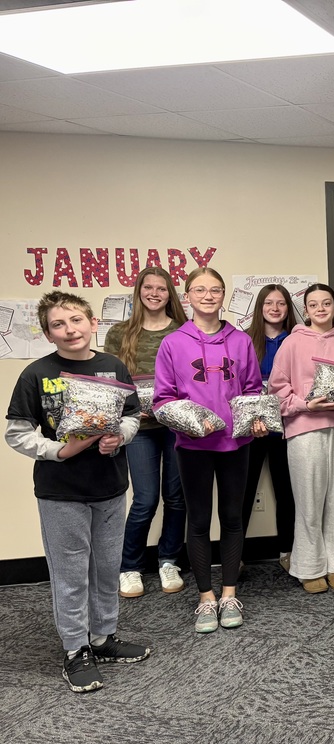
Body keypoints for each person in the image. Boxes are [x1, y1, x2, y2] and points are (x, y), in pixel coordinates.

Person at [6, 291, 149, 693]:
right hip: (61, 492)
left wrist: (118, 436)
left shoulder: (113, 366)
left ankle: (103, 638)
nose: (69, 329)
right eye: (58, 324)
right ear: (49, 334)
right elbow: (16, 433)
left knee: (106, 567)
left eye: (76, 320)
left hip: (109, 488)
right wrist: (58, 450)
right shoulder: (37, 374)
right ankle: (75, 649)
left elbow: (133, 415)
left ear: (91, 323)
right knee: (70, 575)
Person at [154, 267, 264, 632]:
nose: (208, 296)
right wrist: (189, 422)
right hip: (193, 445)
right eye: (199, 290)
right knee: (198, 521)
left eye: (215, 290)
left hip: (236, 443)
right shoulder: (173, 343)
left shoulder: (241, 340)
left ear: (222, 295)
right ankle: (205, 598)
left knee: (233, 518)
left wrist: (257, 418)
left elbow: (252, 389)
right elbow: (163, 398)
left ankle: (230, 593)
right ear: (187, 296)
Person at [270, 283, 334, 592]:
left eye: (326, 303)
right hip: (304, 429)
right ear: (306, 310)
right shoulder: (291, 344)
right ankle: (309, 567)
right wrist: (303, 404)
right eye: (314, 304)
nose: (321, 309)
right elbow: (277, 390)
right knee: (309, 501)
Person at [104, 266, 188, 598]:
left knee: (176, 497)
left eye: (162, 288)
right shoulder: (119, 333)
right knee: (145, 499)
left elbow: (193, 380)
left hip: (176, 425)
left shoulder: (184, 331)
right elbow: (110, 383)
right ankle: (130, 566)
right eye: (148, 287)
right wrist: (125, 410)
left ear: (170, 294)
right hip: (139, 427)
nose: (154, 293)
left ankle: (169, 560)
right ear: (139, 291)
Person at [240, 284, 298, 573]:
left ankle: (288, 551)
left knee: (287, 492)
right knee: (243, 491)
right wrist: (252, 420)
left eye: (281, 304)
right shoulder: (245, 341)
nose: (275, 309)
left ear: (289, 309)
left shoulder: (297, 340)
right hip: (251, 429)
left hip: (288, 429)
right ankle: (234, 555)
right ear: (260, 308)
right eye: (269, 303)